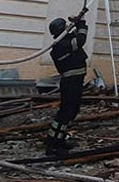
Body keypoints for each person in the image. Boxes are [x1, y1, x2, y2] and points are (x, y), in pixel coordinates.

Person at [45, 17, 88, 155]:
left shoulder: (62, 43)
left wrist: (76, 23)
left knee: (72, 110)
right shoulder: (61, 45)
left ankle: (58, 139)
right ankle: (54, 143)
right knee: (66, 112)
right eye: (65, 26)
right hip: (71, 82)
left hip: (73, 81)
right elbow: (80, 41)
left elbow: (73, 38)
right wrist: (82, 25)